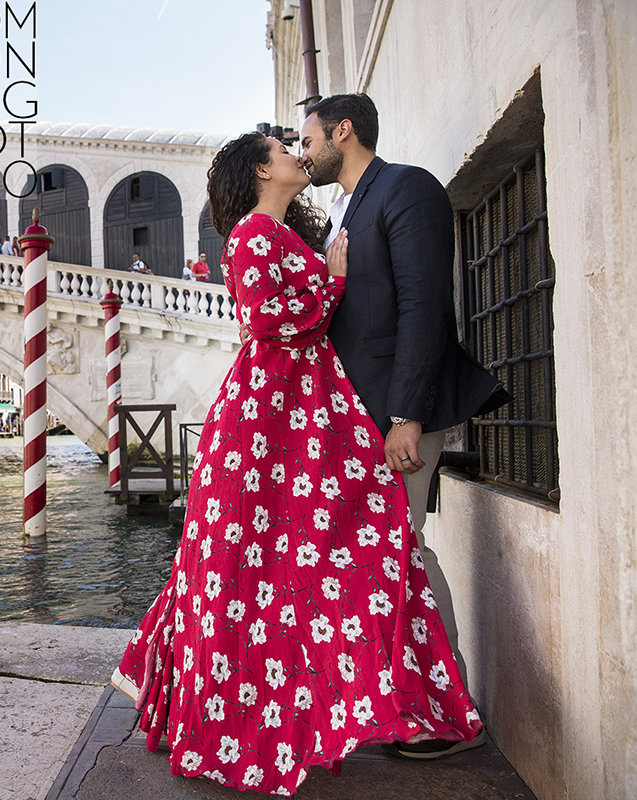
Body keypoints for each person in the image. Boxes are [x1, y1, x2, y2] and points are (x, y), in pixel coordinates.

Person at [111, 132, 481, 796]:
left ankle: (333, 707)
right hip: (266, 423)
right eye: (284, 149)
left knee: (272, 565)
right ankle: (245, 715)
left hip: (293, 418)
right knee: (249, 566)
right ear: (260, 169)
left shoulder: (279, 234)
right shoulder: (254, 233)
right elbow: (267, 317)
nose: (295, 155)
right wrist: (334, 283)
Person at [298, 93, 507, 760]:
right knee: (390, 561)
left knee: (404, 556)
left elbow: (423, 303)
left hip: (395, 415)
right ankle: (411, 706)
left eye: (310, 139)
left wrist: (406, 416)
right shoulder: (346, 209)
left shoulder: (405, 187)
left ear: (345, 130)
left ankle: (449, 714)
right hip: (361, 419)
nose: (305, 152)